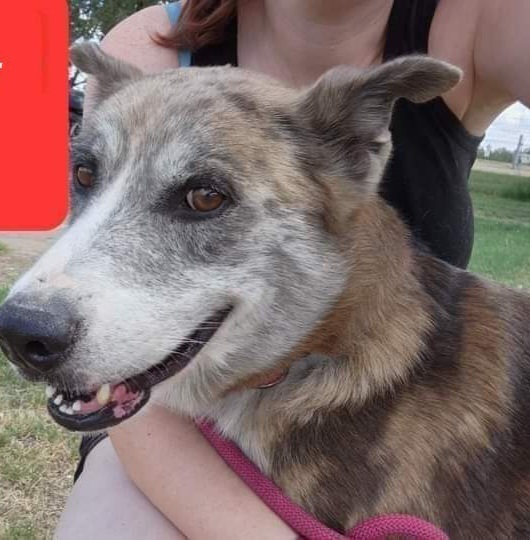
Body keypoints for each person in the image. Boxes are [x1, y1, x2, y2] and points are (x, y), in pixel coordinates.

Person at [56, 1, 530, 538]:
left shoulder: (488, 19)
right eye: (87, 173)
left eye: (204, 195)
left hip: (397, 375)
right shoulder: (155, 39)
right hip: (163, 417)